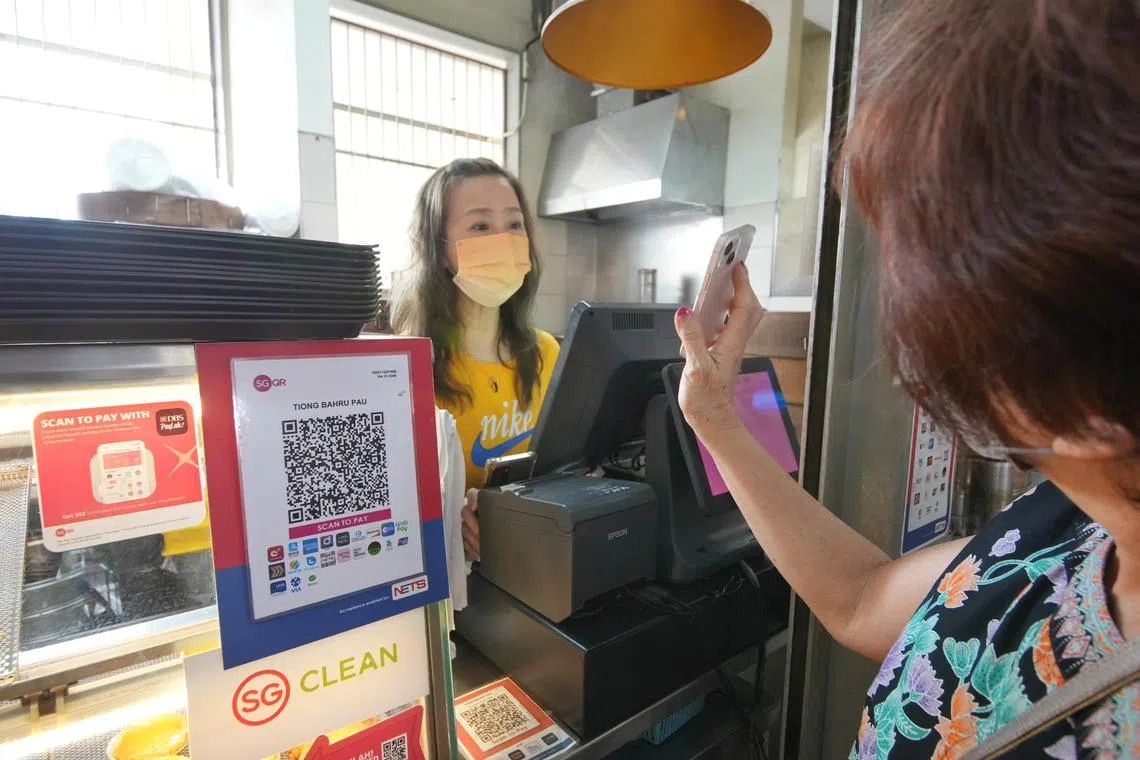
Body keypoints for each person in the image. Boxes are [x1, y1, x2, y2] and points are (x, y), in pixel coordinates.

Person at [674, 1, 1140, 757]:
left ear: (1091, 400)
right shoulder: (1074, 520)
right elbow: (861, 601)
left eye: (918, 270)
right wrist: (716, 418)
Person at [391, 158, 559, 560]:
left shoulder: (546, 353)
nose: (503, 239)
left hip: (534, 562)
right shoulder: (403, 370)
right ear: (439, 249)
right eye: (480, 226)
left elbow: (562, 472)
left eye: (514, 224)